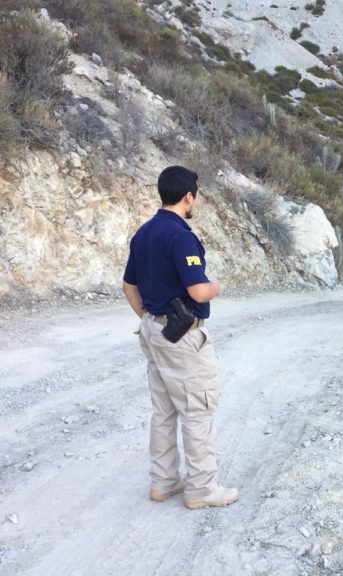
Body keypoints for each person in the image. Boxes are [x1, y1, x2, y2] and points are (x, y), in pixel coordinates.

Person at [122, 165, 238, 509]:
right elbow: (199, 291)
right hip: (181, 337)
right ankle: (201, 489)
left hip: (153, 330)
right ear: (189, 196)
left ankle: (163, 482)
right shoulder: (180, 236)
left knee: (164, 410)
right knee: (198, 409)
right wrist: (216, 286)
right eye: (196, 196)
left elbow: (129, 286)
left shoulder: (143, 233)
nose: (196, 201)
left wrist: (149, 318)